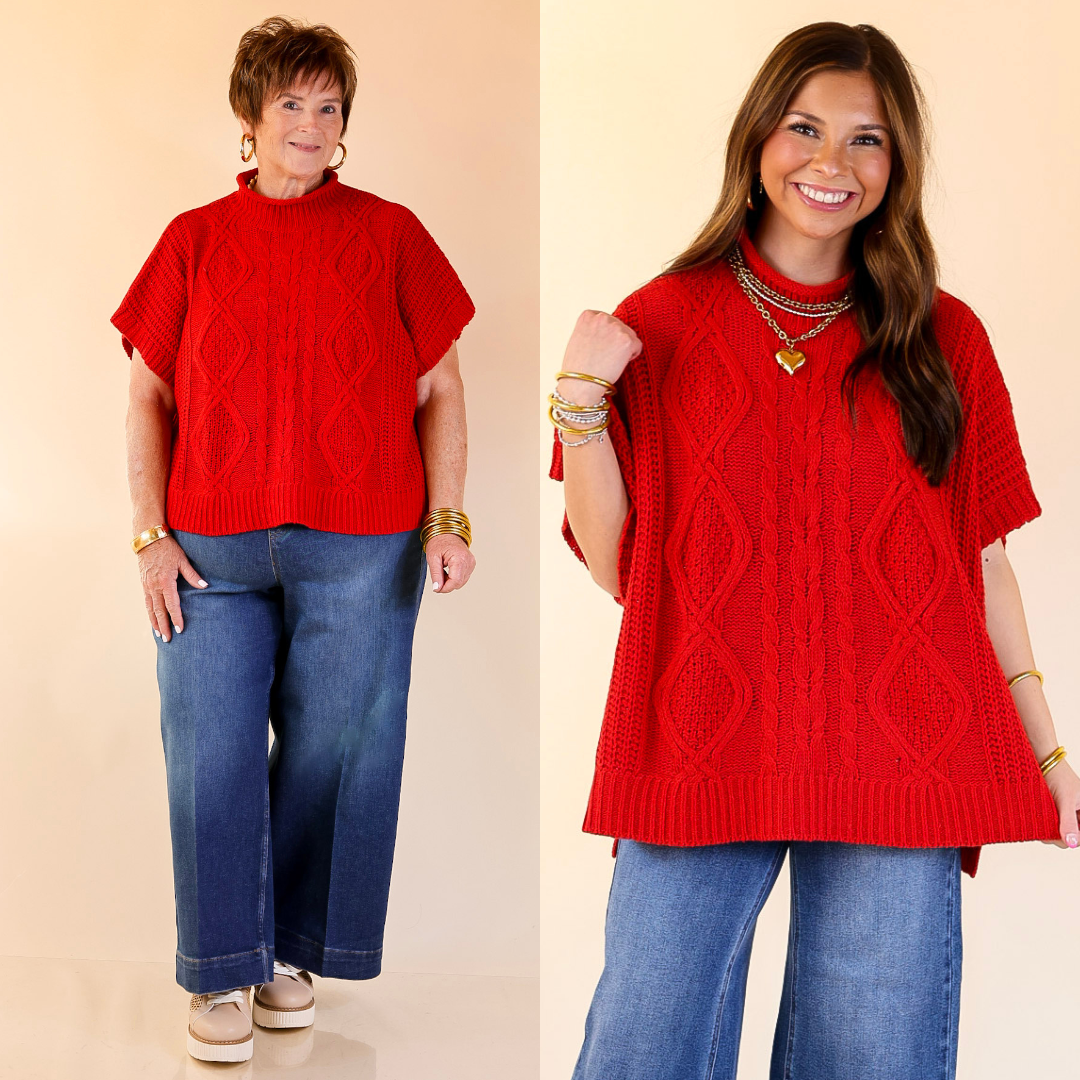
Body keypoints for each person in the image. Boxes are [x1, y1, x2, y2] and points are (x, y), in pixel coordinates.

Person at [549, 21, 1079, 1080]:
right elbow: (624, 574)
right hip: (699, 738)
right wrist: (579, 407)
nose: (831, 163)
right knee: (642, 1049)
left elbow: (979, 562)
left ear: (898, 165)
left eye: (866, 139)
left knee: (871, 1061)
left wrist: (1047, 749)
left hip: (902, 749)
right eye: (804, 128)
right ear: (758, 139)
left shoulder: (946, 340)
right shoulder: (660, 323)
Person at [114, 17, 476, 1064]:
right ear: (249, 117)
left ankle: (293, 955)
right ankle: (223, 967)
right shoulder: (191, 240)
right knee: (211, 755)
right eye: (291, 105)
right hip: (210, 552)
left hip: (364, 547)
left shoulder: (394, 233)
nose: (312, 125)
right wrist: (146, 536)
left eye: (330, 107)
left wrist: (448, 516)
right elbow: (146, 393)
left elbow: (441, 385)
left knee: (340, 751)